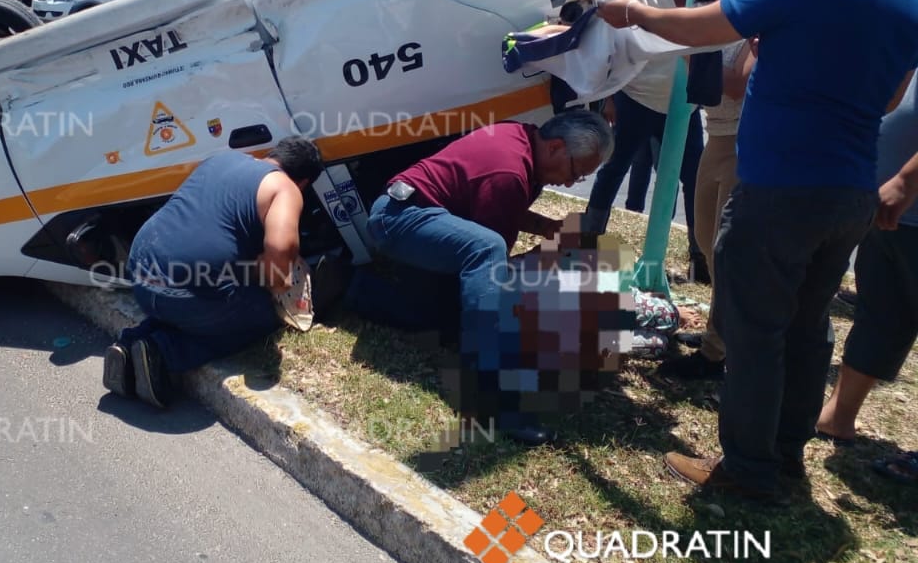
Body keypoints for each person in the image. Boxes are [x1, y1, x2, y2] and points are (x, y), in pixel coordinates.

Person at [598, 0, 918, 502]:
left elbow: (706, 25)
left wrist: (633, 12)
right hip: (852, 191)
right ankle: (786, 457)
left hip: (779, 188)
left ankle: (747, 470)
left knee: (754, 332)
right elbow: (888, 101)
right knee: (807, 330)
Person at [345, 109, 614, 445]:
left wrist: (543, 227)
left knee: (441, 315)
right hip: (399, 220)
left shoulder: (521, 139)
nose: (571, 183)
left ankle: (350, 287)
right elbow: (493, 268)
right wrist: (543, 259)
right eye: (576, 172)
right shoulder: (510, 171)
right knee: (487, 256)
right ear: (556, 147)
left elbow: (487, 205)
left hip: (414, 214)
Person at [103, 137, 324, 408]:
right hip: (186, 295)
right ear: (304, 182)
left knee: (200, 297)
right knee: (263, 313)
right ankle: (162, 353)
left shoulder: (221, 158)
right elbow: (278, 268)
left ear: (272, 154)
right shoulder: (286, 189)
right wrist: (275, 282)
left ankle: (132, 343)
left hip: (140, 275)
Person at [815, 0, 918, 472]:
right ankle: (839, 415)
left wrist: (905, 179)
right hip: (887, 211)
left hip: (902, 198)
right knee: (882, 312)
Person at [581, 0, 709, 281]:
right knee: (612, 169)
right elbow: (610, 42)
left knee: (694, 180)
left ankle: (699, 259)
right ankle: (588, 244)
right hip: (635, 95)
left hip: (684, 105)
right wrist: (607, 96)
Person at [660, 0, 764, 380]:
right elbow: (699, 78)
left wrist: (688, 44)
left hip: (746, 142)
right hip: (716, 136)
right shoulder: (711, 22)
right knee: (705, 240)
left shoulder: (757, 26)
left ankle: (719, 353)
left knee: (728, 253)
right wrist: (690, 41)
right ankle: (716, 341)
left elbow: (738, 85)